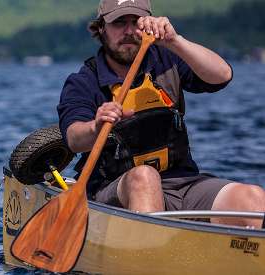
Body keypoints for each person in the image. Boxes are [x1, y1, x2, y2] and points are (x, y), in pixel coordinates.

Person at [57, 0, 265, 228]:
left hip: (182, 183)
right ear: (101, 28)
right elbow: (74, 139)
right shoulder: (83, 82)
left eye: (135, 22)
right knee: (144, 177)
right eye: (119, 23)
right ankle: (149, 254)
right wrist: (96, 126)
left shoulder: (166, 60)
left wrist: (174, 41)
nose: (128, 31)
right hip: (114, 191)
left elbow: (222, 75)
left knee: (253, 198)